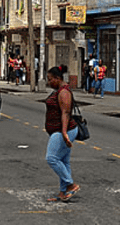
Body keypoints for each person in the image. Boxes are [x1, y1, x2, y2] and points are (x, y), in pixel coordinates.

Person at [44, 65, 80, 202]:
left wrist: (64, 133)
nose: (48, 82)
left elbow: (65, 113)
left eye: (50, 79)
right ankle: (63, 192)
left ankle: (71, 184)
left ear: (58, 78)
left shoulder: (64, 92)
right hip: (59, 130)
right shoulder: (58, 90)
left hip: (63, 130)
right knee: (63, 161)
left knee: (51, 158)